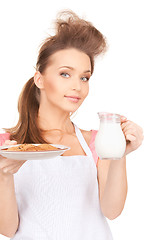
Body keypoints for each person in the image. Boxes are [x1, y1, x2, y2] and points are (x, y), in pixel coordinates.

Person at [0, 10, 144, 240]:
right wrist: (3, 176)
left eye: (84, 77)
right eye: (65, 74)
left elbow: (112, 210)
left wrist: (119, 154)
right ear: (39, 79)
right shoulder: (8, 146)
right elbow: (7, 229)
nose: (77, 86)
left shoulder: (96, 142)